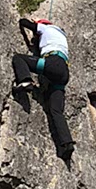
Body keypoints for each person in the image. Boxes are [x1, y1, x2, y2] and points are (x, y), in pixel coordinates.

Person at [12, 18, 75, 162]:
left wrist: (34, 25)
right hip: (63, 72)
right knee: (56, 110)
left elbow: (24, 22)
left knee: (19, 59)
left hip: (52, 63)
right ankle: (67, 143)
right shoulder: (61, 35)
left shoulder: (47, 28)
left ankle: (25, 81)